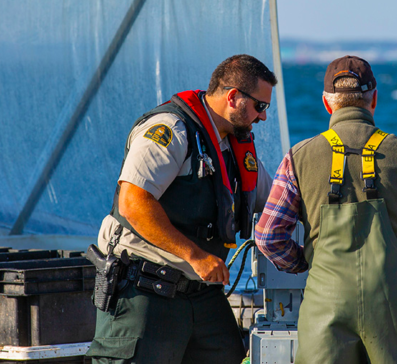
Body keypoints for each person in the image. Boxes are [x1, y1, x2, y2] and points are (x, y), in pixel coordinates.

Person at [255, 55, 397, 364]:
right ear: (374, 100)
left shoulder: (298, 157)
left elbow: (267, 236)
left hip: (326, 308)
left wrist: (305, 263)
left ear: (326, 103)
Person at [86, 54, 276, 364]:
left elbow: (275, 200)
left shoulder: (231, 146)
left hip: (200, 292)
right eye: (260, 106)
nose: (263, 117)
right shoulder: (171, 130)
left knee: (228, 354)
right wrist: (196, 256)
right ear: (233, 97)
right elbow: (134, 203)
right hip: (144, 289)